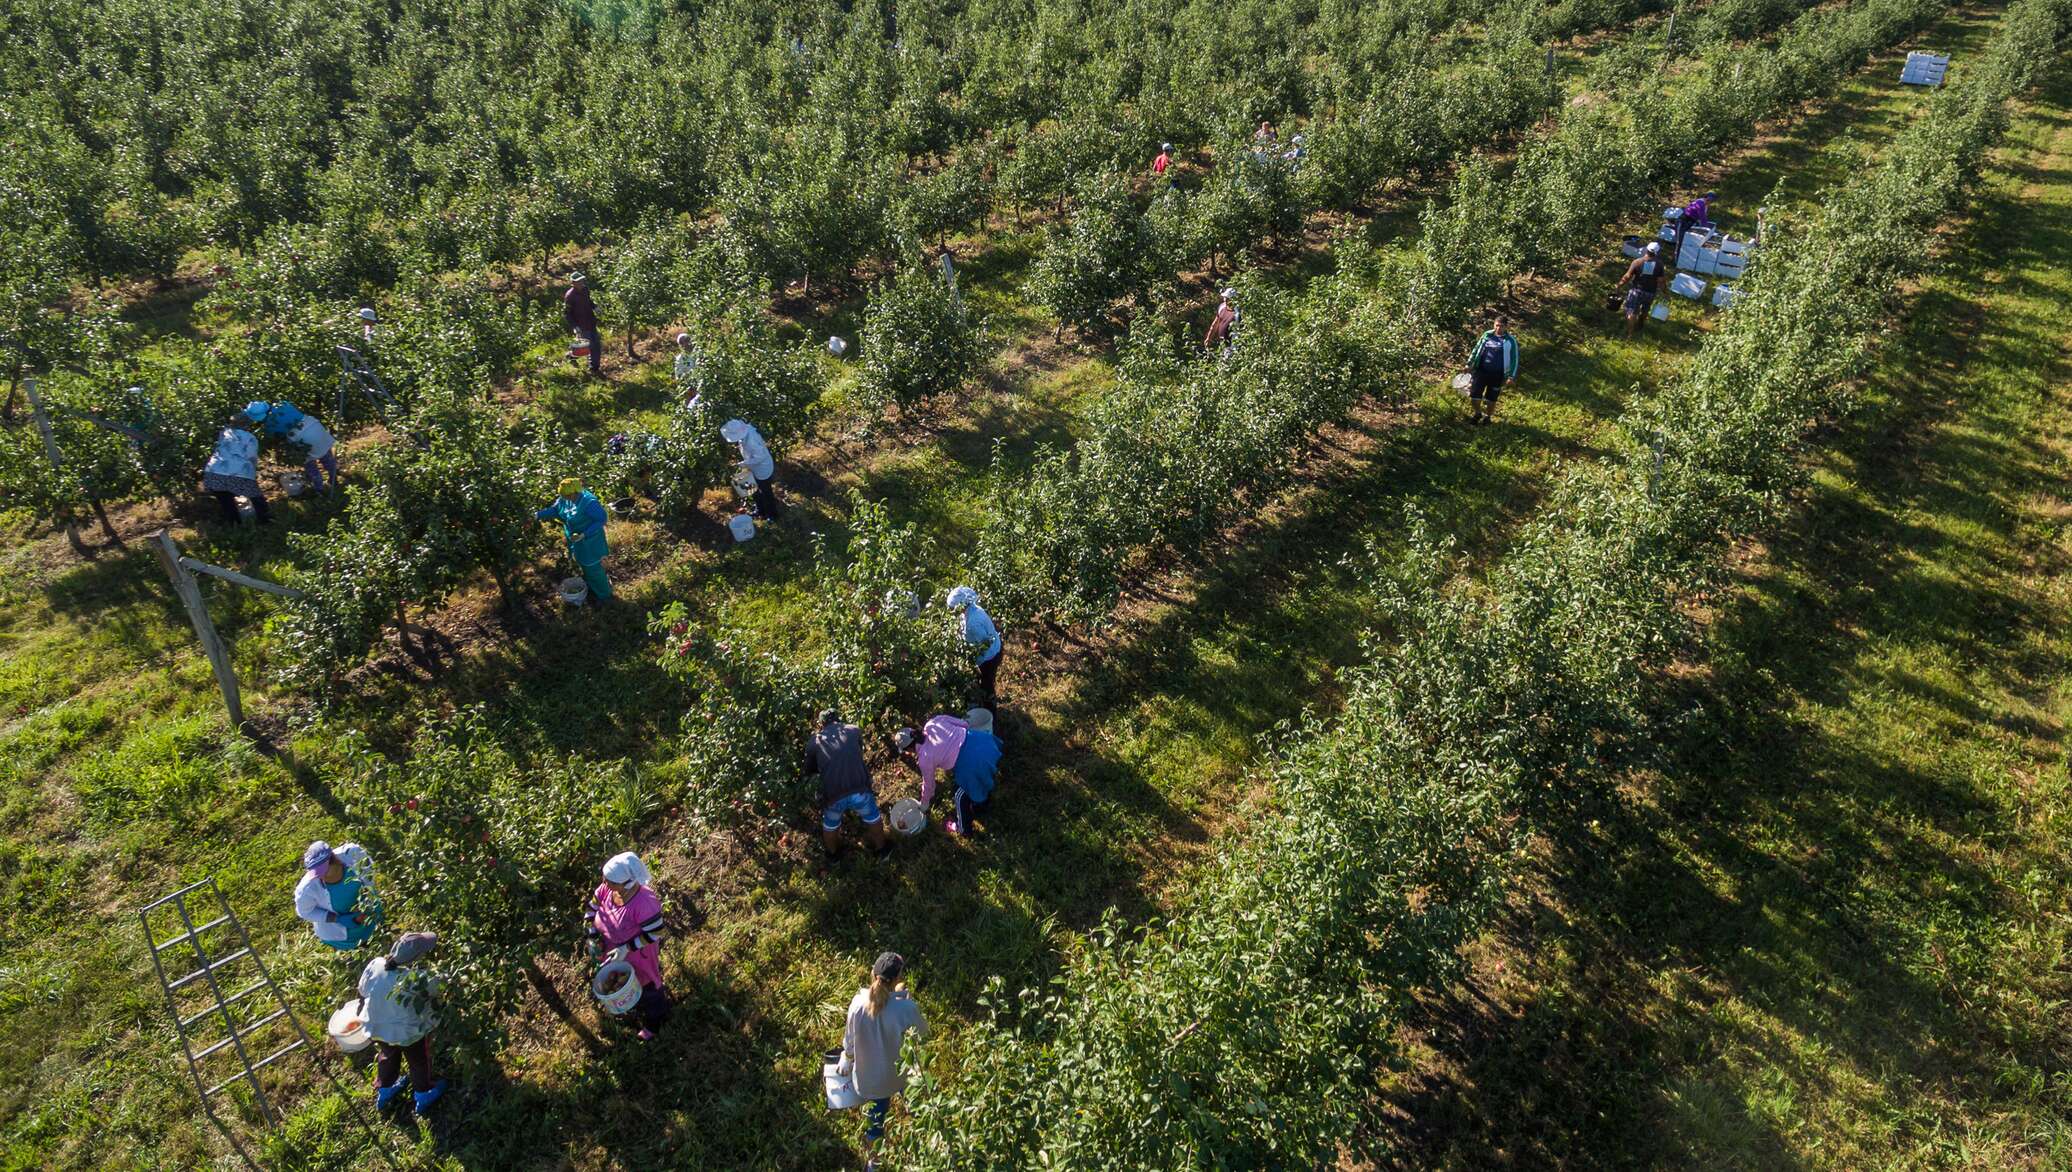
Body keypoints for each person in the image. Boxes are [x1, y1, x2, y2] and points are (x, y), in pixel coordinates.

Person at [837, 951, 927, 1172]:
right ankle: (926, 1142)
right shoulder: (906, 1008)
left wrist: (847, 1059)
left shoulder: (857, 1004)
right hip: (901, 1076)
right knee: (918, 1106)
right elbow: (923, 1034)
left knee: (875, 1124)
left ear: (873, 974)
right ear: (898, 979)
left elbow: (849, 1041)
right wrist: (905, 1000)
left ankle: (874, 1164)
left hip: (872, 1081)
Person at [357, 932, 448, 1113]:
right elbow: (442, 987)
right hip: (408, 1033)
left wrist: (361, 1008)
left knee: (388, 1055)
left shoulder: (376, 965)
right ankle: (424, 1093)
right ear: (416, 958)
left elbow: (361, 991)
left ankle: (386, 1089)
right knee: (418, 1061)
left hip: (378, 1027)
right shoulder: (417, 979)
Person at [586, 851, 672, 1041]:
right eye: (605, 877)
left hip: (638, 954)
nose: (604, 882)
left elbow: (656, 932)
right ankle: (633, 999)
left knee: (649, 986)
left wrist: (626, 948)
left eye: (610, 880)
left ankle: (655, 1021)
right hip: (611, 949)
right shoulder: (606, 889)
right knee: (626, 983)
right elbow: (592, 908)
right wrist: (592, 935)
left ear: (627, 883)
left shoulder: (644, 903)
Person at [806, 709, 891, 860]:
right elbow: (859, 750)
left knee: (830, 825)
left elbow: (810, 770)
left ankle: (833, 856)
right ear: (838, 719)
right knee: (872, 817)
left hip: (833, 795)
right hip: (859, 789)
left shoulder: (814, 742)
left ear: (822, 724)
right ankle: (882, 850)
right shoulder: (853, 730)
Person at [294, 841, 381, 950]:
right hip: (341, 935)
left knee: (379, 932)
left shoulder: (353, 854)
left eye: (324, 871)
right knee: (360, 948)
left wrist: (366, 905)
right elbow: (304, 911)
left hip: (369, 912)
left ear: (334, 859)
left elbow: (369, 877)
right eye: (317, 873)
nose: (321, 877)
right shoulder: (307, 889)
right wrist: (337, 919)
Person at [536, 478, 612, 603]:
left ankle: (605, 596)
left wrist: (584, 534)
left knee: (594, 568)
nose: (564, 498)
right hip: (577, 541)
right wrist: (538, 515)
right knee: (584, 564)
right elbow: (556, 509)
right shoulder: (565, 499)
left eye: (567, 496)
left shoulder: (589, 503)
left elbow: (602, 519)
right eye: (563, 496)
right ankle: (593, 586)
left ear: (575, 492)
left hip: (591, 542)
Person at [244, 400, 339, 493]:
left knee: (310, 466)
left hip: (304, 440)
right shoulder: (283, 404)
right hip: (315, 427)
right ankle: (334, 479)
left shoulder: (270, 425)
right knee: (327, 457)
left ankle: (319, 489)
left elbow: (276, 437)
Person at [201, 418, 270, 524]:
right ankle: (266, 522)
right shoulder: (250, 438)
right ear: (247, 426)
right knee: (257, 499)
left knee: (226, 502)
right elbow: (251, 457)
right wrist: (252, 472)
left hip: (213, 472)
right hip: (238, 473)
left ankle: (234, 525)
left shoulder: (224, 433)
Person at [946, 707, 1002, 836]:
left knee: (960, 795)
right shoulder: (937, 723)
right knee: (984, 777)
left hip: (972, 765)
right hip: (987, 746)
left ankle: (964, 829)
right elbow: (963, 724)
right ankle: (982, 805)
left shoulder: (927, 757)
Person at [893, 714, 967, 810]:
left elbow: (929, 785)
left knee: (962, 794)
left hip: (967, 761)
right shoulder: (933, 723)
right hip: (976, 737)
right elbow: (964, 724)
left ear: (910, 748)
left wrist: (924, 803)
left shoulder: (925, 759)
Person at [944, 586, 1002, 707]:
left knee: (987, 684)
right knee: (985, 680)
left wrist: (961, 654)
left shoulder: (973, 624)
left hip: (989, 657)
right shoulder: (973, 608)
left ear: (961, 606)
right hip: (994, 646)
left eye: (951, 608)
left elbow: (980, 648)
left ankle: (990, 710)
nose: (950, 611)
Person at [1463, 316, 1520, 427]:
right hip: (1481, 371)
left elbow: (1515, 359)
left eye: (1501, 326)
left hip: (1497, 375)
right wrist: (1469, 364)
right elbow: (1476, 349)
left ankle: (1488, 417)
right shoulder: (1487, 335)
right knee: (1474, 395)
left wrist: (1511, 376)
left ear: (1506, 326)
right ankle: (1477, 413)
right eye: (1496, 325)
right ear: (1494, 325)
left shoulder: (1510, 341)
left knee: (1491, 398)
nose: (1498, 328)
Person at [720, 418, 780, 518]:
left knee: (765, 491)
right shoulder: (747, 430)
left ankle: (772, 515)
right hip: (754, 465)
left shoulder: (750, 441)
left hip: (762, 467)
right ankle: (760, 510)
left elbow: (760, 457)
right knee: (753, 488)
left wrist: (743, 464)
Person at [1615, 241, 1666, 338]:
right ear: (1657, 252)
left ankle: (1630, 333)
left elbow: (1627, 276)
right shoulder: (1659, 264)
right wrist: (1665, 292)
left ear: (1646, 250)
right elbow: (1661, 281)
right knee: (1645, 310)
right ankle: (1640, 322)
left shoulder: (1637, 262)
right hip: (1650, 292)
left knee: (1631, 311)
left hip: (1636, 291)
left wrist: (1619, 285)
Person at [564, 272, 602, 376]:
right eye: (578, 281)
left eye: (582, 280)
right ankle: (591, 367)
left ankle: (594, 367)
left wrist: (595, 307)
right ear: (573, 283)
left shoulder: (585, 290)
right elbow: (567, 314)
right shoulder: (570, 296)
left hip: (591, 321)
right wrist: (575, 327)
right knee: (589, 347)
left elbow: (589, 301)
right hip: (581, 325)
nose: (581, 283)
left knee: (596, 345)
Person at [1203, 288, 1239, 355]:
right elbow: (1216, 323)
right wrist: (1209, 337)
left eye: (1227, 298)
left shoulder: (1238, 313)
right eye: (1225, 298)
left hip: (1233, 347)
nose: (1225, 300)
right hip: (1222, 345)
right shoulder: (1222, 307)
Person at [673, 333, 703, 408]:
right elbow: (679, 375)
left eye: (686, 341)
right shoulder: (680, 359)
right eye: (682, 343)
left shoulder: (699, 354)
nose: (685, 344)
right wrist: (688, 387)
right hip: (689, 387)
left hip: (702, 384)